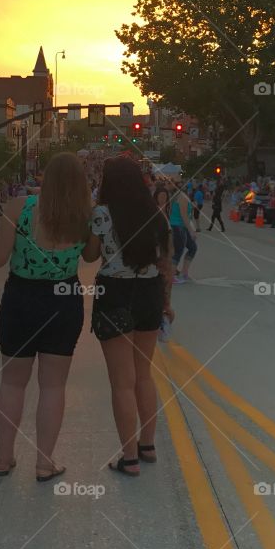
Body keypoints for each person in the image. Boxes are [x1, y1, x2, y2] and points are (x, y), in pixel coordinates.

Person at [0, 152, 98, 482]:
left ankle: (4, 457)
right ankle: (44, 463)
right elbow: (91, 257)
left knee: (11, 382)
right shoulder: (85, 215)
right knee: (53, 386)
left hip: (21, 298)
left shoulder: (19, 207)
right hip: (63, 301)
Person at [91, 157, 174, 477]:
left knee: (121, 382)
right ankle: (148, 445)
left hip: (115, 293)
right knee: (144, 374)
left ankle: (129, 458)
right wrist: (167, 302)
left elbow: (89, 254)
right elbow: (166, 263)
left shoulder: (102, 215)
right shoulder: (156, 216)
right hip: (150, 293)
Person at [168, 183, 197, 282]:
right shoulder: (182, 197)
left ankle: (184, 273)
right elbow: (184, 215)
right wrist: (191, 230)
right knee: (178, 251)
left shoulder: (176, 197)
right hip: (178, 227)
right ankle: (171, 277)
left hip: (179, 226)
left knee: (192, 248)